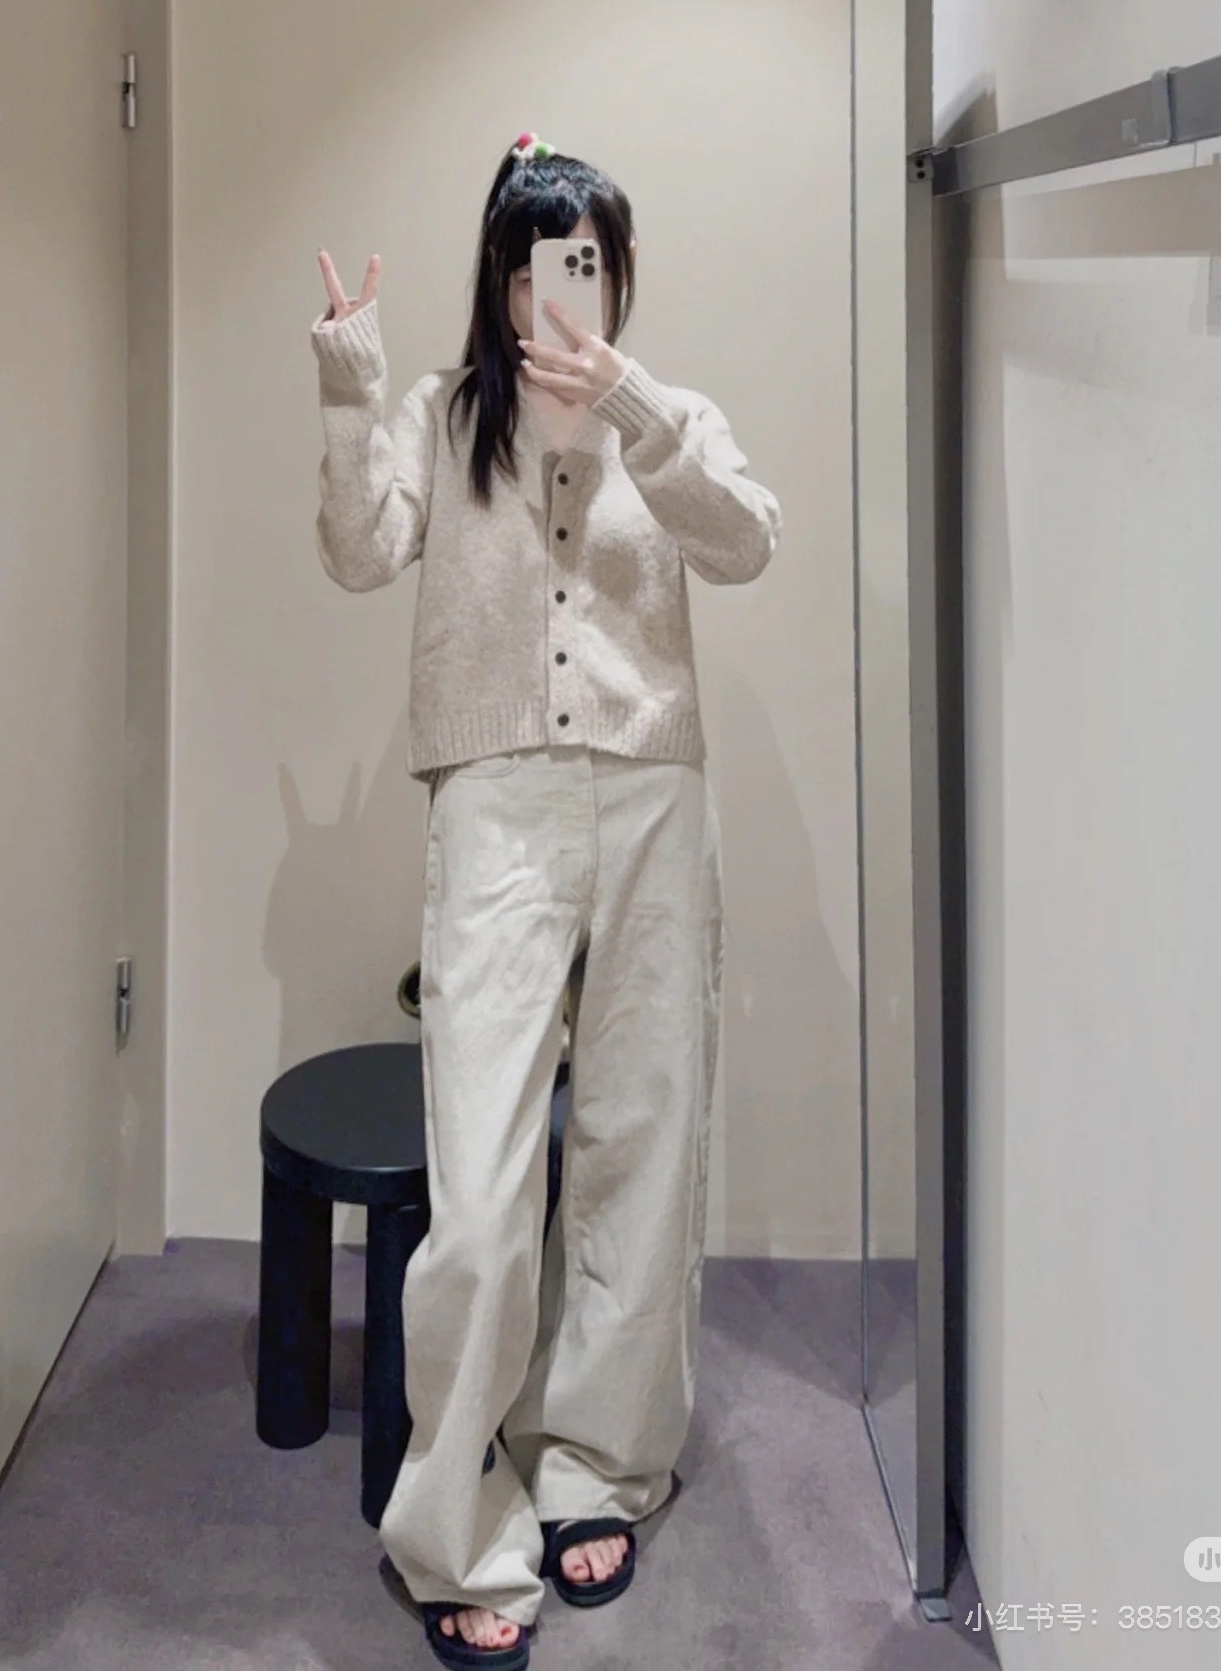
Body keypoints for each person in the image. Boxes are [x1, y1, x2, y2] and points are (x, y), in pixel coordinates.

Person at [310, 133, 782, 1669]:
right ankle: (460, 1527)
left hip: (651, 799)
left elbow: (747, 539)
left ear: (617, 276)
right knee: (483, 1189)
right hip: (497, 806)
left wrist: (628, 404)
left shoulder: (668, 416)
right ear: (501, 280)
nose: (561, 291)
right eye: (537, 265)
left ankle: (598, 1469)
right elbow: (359, 551)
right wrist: (347, 384)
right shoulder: (444, 416)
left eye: (588, 262)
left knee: (641, 1146)